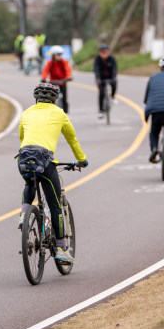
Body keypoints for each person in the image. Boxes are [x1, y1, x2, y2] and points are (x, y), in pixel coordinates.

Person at [17, 82, 88, 264]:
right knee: (55, 205)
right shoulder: (59, 113)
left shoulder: (27, 113)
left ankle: (24, 214)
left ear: (36, 98)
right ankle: (62, 249)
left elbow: (23, 138)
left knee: (30, 182)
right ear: (55, 100)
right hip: (45, 160)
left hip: (24, 158)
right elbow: (72, 138)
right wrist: (82, 160)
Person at [41, 45, 73, 113]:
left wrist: (69, 76)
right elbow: (45, 71)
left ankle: (66, 113)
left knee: (64, 98)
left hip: (62, 81)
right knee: (51, 97)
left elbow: (68, 70)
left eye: (60, 54)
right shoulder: (50, 62)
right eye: (58, 54)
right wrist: (43, 78)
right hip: (53, 82)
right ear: (53, 55)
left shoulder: (64, 62)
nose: (60, 56)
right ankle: (51, 111)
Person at [93, 44, 118, 118]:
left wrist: (113, 78)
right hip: (101, 78)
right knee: (101, 93)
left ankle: (113, 97)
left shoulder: (112, 59)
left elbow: (114, 69)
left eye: (105, 52)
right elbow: (96, 69)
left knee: (114, 83)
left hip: (110, 76)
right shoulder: (97, 60)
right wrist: (97, 78)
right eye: (102, 52)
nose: (104, 54)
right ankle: (101, 111)